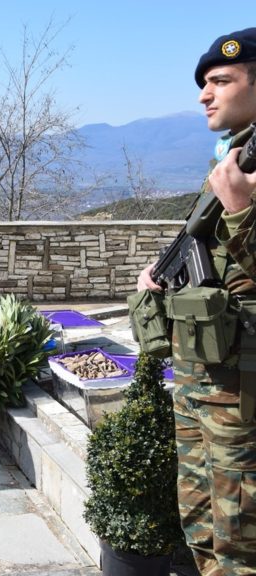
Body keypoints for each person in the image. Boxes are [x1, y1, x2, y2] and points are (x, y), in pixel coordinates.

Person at [136, 27, 256, 575]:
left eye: (220, 81)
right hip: (201, 376)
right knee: (202, 524)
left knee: (242, 541)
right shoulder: (236, 156)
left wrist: (241, 211)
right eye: (204, 84)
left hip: (241, 388)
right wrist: (164, 277)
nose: (204, 94)